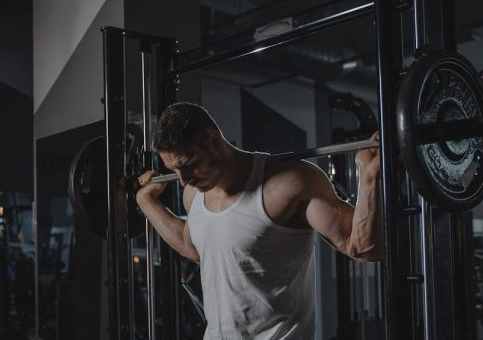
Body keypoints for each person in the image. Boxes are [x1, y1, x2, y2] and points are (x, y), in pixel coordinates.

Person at [136, 102, 383, 339]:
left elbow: (361, 247)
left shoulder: (289, 183)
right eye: (173, 170)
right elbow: (194, 247)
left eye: (188, 165)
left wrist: (369, 177)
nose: (182, 180)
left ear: (213, 141)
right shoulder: (193, 193)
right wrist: (146, 201)